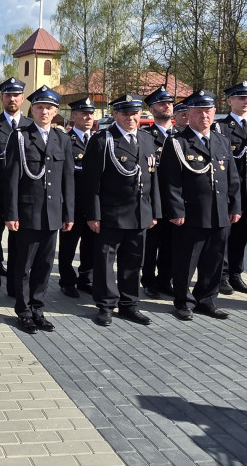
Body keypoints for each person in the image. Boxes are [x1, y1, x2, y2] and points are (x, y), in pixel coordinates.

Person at [160, 90, 241, 321]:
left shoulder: (222, 141)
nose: (204, 116)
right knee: (187, 260)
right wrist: (175, 210)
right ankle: (183, 302)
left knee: (214, 260)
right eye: (198, 112)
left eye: (208, 111)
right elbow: (170, 181)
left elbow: (232, 178)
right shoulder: (178, 143)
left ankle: (206, 299)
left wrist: (235, 207)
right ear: (188, 114)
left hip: (219, 212)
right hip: (191, 213)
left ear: (214, 113)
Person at [84, 95, 161, 327]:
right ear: (115, 115)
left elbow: (153, 179)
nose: (131, 118)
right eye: (125, 113)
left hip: (140, 212)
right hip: (111, 213)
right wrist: (93, 214)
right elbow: (91, 183)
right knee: (106, 262)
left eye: (135, 113)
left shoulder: (147, 140)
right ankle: (106, 305)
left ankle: (129, 305)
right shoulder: (102, 140)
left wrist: (154, 212)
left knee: (133, 261)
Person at [3, 86, 73, 334]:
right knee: (23, 266)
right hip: (27, 213)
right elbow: (10, 179)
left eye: (49, 107)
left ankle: (38, 309)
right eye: (40, 107)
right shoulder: (20, 137)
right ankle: (23, 312)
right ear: (31, 109)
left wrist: (68, 214)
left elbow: (68, 181)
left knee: (44, 266)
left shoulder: (62, 139)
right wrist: (11, 213)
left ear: (56, 111)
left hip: (52, 214)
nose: (44, 111)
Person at [0, 77, 31, 305]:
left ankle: (14, 287)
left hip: (23, 199)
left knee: (19, 246)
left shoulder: (31, 127)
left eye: (16, 95)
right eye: (8, 95)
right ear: (1, 98)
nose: (12, 99)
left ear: (22, 97)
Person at [214, 81, 247, 294]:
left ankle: (236, 272)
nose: (246, 101)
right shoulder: (221, 127)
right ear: (229, 101)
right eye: (241, 97)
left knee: (244, 235)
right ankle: (222, 274)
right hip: (229, 192)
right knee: (224, 235)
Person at [139, 86, 176, 299]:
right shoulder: (146, 136)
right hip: (153, 198)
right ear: (152, 109)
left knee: (171, 244)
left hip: (175, 200)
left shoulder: (180, 135)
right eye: (162, 103)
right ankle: (148, 281)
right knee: (150, 245)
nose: (167, 106)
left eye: (170, 103)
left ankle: (165, 280)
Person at [58, 97, 97, 297]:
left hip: (92, 204)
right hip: (72, 204)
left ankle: (86, 279)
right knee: (68, 247)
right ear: (73, 117)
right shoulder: (66, 139)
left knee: (90, 245)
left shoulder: (99, 139)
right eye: (84, 113)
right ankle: (67, 281)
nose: (88, 117)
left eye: (91, 113)